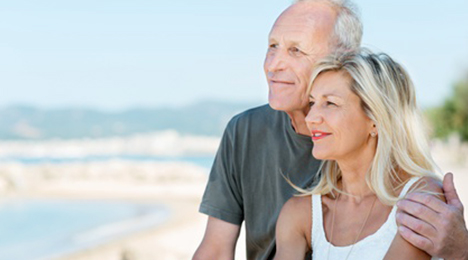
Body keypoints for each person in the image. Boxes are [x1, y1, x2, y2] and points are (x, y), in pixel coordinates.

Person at [192, 0, 468, 259]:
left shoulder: (415, 197)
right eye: (272, 46)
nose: (273, 64)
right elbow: (215, 248)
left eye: (296, 50)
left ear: (343, 59)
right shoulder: (246, 133)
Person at [274, 49, 444, 260]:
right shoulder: (301, 213)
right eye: (312, 103)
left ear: (375, 119)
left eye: (330, 103)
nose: (311, 118)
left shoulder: (421, 197)